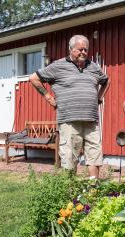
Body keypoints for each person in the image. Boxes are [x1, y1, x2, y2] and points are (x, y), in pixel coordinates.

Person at [29, 35, 109, 179]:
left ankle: (93, 188)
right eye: (80, 49)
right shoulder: (58, 66)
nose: (84, 52)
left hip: (91, 120)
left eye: (86, 49)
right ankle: (69, 192)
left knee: (94, 156)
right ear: (71, 49)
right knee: (69, 158)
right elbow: (34, 78)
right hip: (69, 120)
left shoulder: (93, 67)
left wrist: (99, 97)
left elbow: (106, 81)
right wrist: (48, 97)